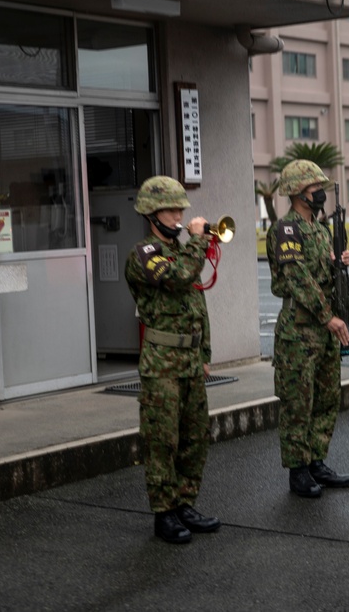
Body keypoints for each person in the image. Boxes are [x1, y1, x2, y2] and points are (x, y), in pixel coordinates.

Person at [124, 176, 221, 544]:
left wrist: (205, 354)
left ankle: (185, 503)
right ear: (152, 213)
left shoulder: (183, 251)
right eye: (171, 209)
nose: (180, 215)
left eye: (181, 209)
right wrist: (197, 240)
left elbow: (198, 305)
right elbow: (179, 279)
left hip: (190, 360)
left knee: (195, 437)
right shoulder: (144, 254)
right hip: (162, 362)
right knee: (163, 441)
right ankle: (164, 513)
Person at [267, 159, 349, 498]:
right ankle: (298, 469)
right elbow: (297, 278)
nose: (321, 193)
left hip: (324, 327)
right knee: (298, 402)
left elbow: (319, 273)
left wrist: (337, 264)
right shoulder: (287, 229)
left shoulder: (319, 229)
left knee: (326, 397)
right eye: (314, 188)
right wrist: (327, 315)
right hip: (300, 328)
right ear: (298, 192)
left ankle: (317, 460)